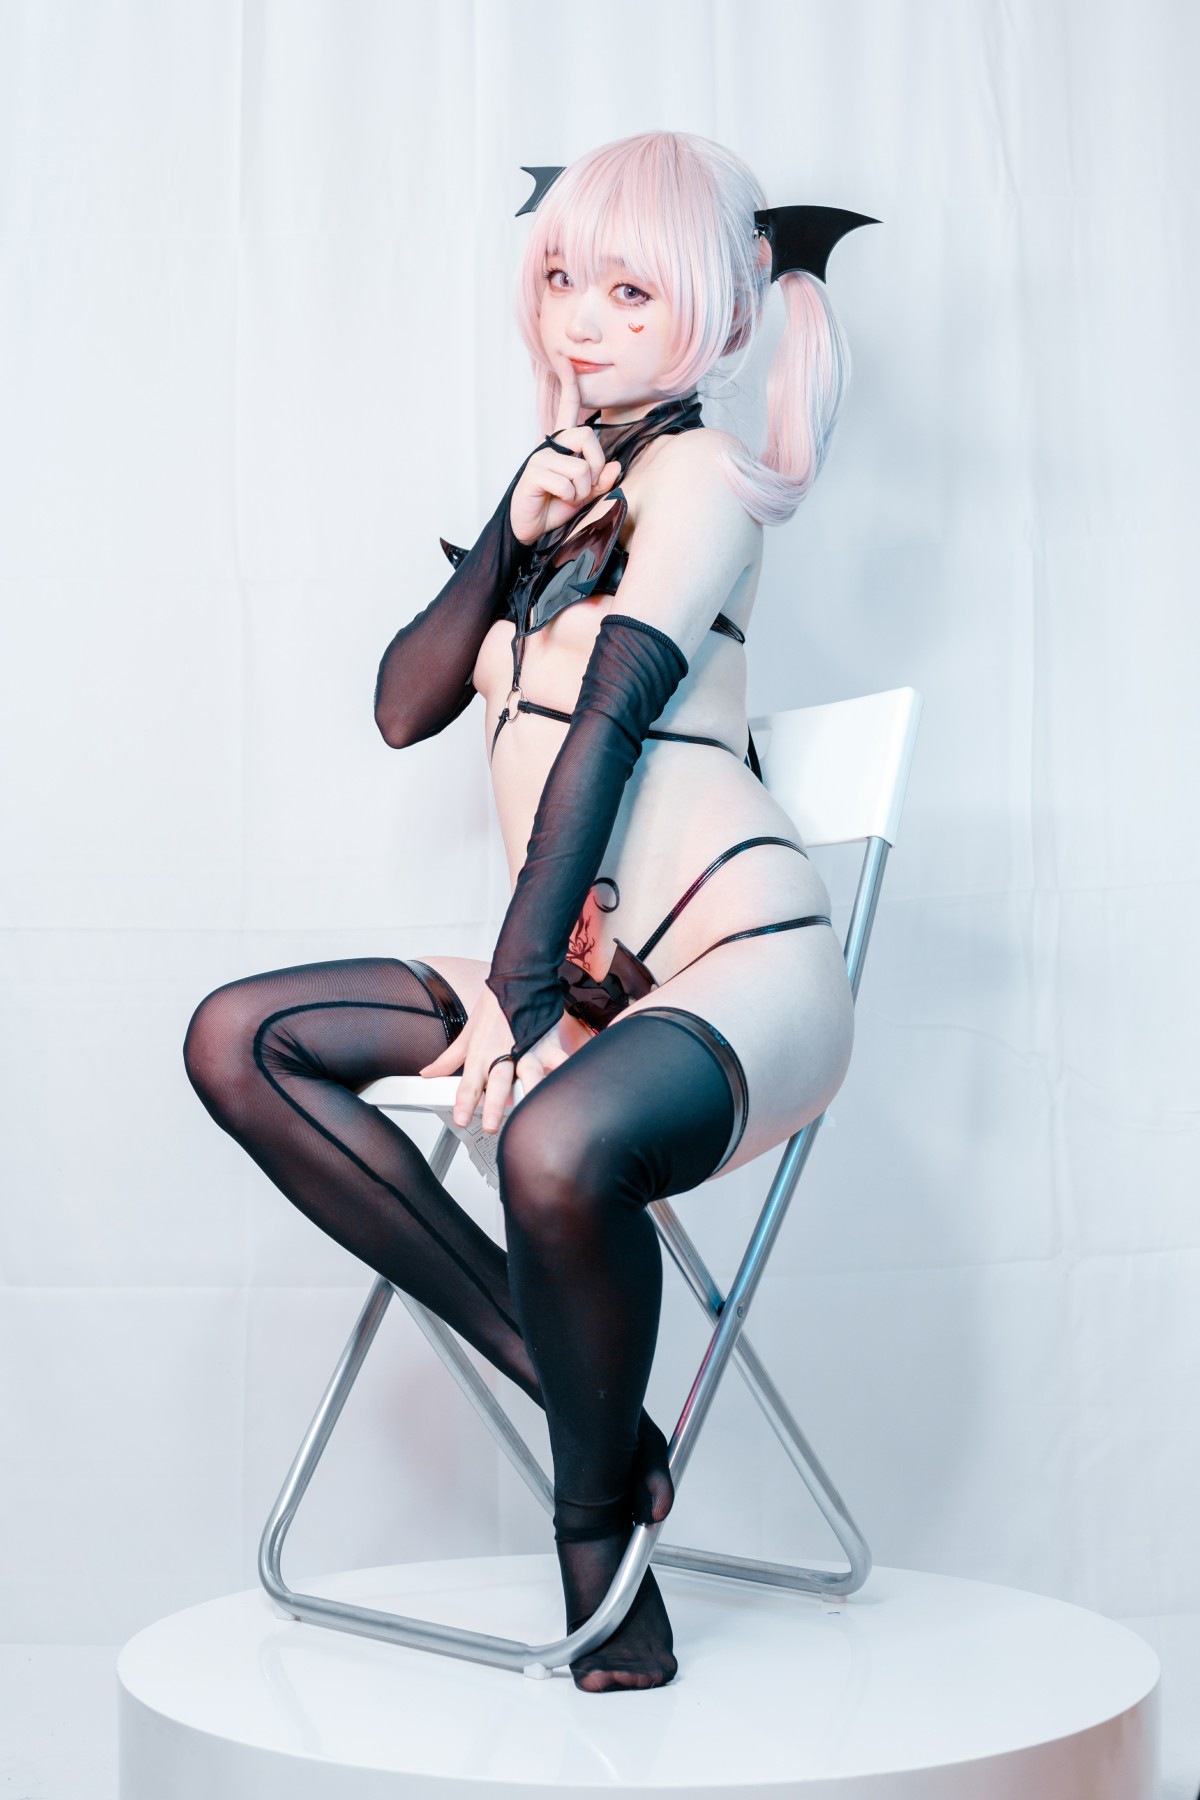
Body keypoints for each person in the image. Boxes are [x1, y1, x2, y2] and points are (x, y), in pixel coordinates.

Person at [183, 129, 861, 1693]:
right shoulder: (565, 488)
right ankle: (587, 1400)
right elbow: (403, 707)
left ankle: (597, 1549)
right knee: (239, 1041)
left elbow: (611, 726)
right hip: (583, 964)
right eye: (564, 278)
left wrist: (522, 1000)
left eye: (632, 291)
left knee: (551, 1145)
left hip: (741, 966)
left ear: (720, 314)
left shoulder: (706, 482)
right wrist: (508, 529)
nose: (583, 319)